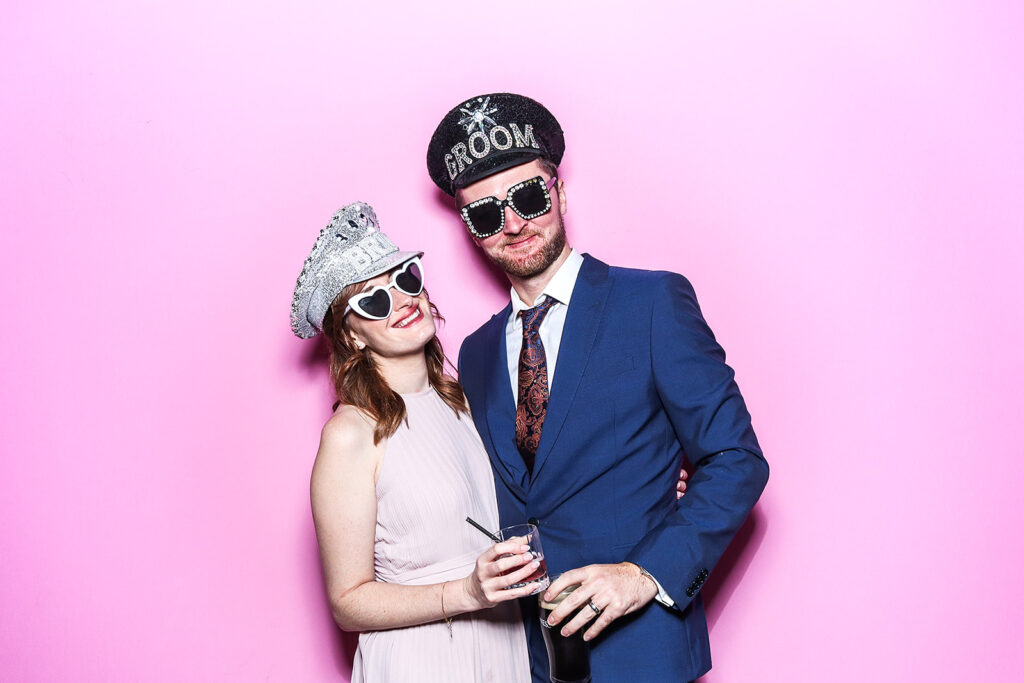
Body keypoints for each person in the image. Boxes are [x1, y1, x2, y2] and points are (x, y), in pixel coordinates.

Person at [426, 93, 770, 682]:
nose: (513, 224)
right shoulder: (477, 353)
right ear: (470, 231)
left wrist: (643, 574)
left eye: (528, 197)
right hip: (525, 658)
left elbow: (736, 458)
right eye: (485, 213)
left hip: (643, 653)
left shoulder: (652, 302)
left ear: (558, 191)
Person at [290, 202, 535, 682]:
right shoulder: (351, 434)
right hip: (423, 660)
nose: (402, 301)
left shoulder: (465, 402)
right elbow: (347, 602)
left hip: (503, 645)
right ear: (351, 336)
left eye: (405, 279)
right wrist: (466, 593)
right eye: (373, 301)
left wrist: (649, 478)